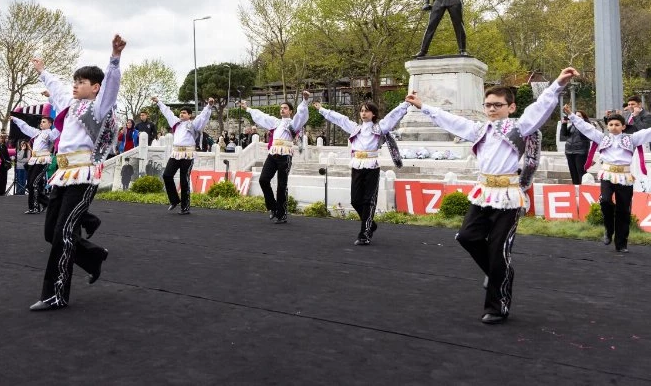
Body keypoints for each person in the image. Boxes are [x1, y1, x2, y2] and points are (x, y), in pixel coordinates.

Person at [405, 67, 578, 324]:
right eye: (487, 105)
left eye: (497, 105)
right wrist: (422, 105)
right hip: (484, 193)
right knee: (467, 237)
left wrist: (558, 84)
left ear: (511, 107)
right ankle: (497, 271)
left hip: (508, 196)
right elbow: (451, 120)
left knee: (499, 251)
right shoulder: (479, 129)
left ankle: (497, 307)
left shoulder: (520, 127)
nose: (491, 109)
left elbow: (540, 107)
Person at [27, 34, 126, 311]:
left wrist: (115, 58)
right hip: (63, 173)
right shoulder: (69, 105)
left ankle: (55, 294)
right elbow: (56, 87)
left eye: (81, 82)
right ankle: (93, 256)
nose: (75, 85)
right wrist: (42, 71)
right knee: (51, 233)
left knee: (64, 233)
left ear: (95, 87)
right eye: (75, 81)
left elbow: (111, 87)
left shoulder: (99, 107)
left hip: (84, 176)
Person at [314, 99, 409, 245]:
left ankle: (364, 234)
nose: (363, 113)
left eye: (367, 111)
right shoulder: (355, 128)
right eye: (362, 111)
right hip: (357, 165)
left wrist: (405, 104)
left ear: (373, 114)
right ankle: (370, 224)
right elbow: (340, 119)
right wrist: (322, 109)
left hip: (372, 166)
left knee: (368, 201)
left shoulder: (379, 128)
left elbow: (393, 116)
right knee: (355, 200)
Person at [564, 105, 651, 253]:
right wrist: (571, 115)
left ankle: (621, 243)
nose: (614, 127)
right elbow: (587, 128)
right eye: (611, 125)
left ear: (623, 126)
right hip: (607, 175)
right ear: (607, 126)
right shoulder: (602, 138)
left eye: (617, 124)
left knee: (624, 210)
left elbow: (648, 132)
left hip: (625, 176)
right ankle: (608, 230)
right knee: (605, 201)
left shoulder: (632, 139)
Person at [243, 91, 310, 223]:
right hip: (273, 154)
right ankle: (273, 207)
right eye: (281, 108)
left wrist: (305, 101)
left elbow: (301, 116)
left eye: (285, 108)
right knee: (263, 180)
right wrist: (248, 108)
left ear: (290, 111)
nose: (282, 110)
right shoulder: (276, 122)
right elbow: (261, 117)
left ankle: (282, 213)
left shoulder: (293, 124)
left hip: (285, 156)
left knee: (281, 185)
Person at [153, 97, 214, 215]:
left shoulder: (194, 124)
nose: (181, 114)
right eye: (181, 112)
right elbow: (167, 112)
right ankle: (174, 200)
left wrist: (209, 106)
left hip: (188, 154)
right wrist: (158, 102)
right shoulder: (176, 123)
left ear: (190, 115)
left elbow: (203, 117)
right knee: (167, 175)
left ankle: (185, 207)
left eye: (184, 113)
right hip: (176, 153)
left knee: (184, 180)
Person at [11, 115, 59, 213]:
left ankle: (35, 207)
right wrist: (15, 119)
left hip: (43, 160)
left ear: (50, 124)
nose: (41, 123)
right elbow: (25, 127)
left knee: (34, 184)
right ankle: (46, 203)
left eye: (44, 122)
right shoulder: (37, 133)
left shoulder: (51, 134)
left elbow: (59, 128)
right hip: (34, 160)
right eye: (41, 121)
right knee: (30, 184)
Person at [560, 110, 591, 185]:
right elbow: (564, 134)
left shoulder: (587, 125)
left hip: (581, 151)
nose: (577, 117)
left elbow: (585, 135)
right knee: (573, 171)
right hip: (569, 151)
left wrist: (579, 123)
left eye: (579, 116)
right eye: (576, 116)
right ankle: (576, 188)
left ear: (584, 118)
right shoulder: (572, 126)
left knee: (581, 171)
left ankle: (583, 188)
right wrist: (564, 124)